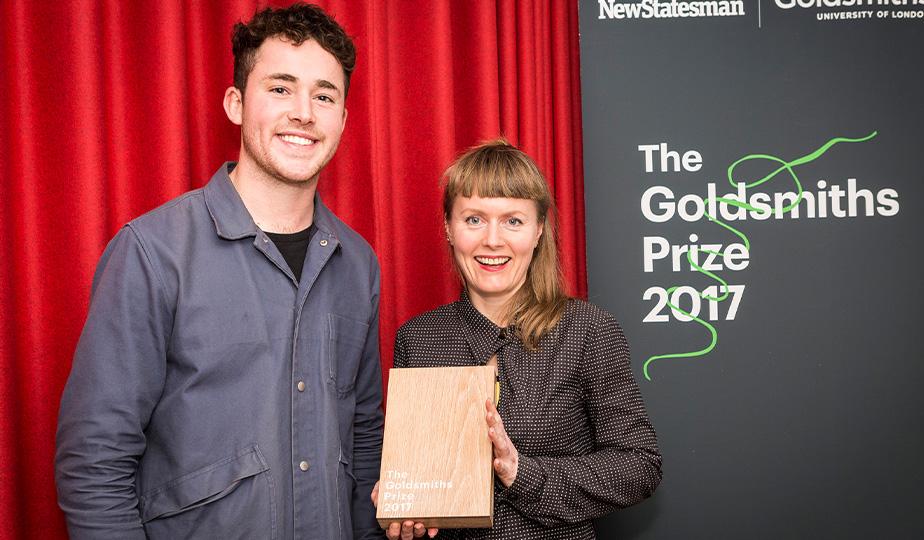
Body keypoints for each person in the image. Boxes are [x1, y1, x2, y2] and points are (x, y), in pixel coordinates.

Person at [55, 4, 383, 539]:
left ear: (343, 119)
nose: (304, 112)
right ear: (235, 103)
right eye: (280, 88)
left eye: (324, 95)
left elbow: (364, 434)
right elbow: (95, 460)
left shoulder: (358, 263)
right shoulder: (150, 252)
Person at [386, 140, 662, 539]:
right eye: (474, 220)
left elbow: (640, 465)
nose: (493, 241)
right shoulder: (418, 339)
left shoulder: (587, 330)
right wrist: (404, 505)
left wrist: (520, 472)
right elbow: (421, 478)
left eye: (513, 221)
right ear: (448, 228)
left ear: (538, 231)